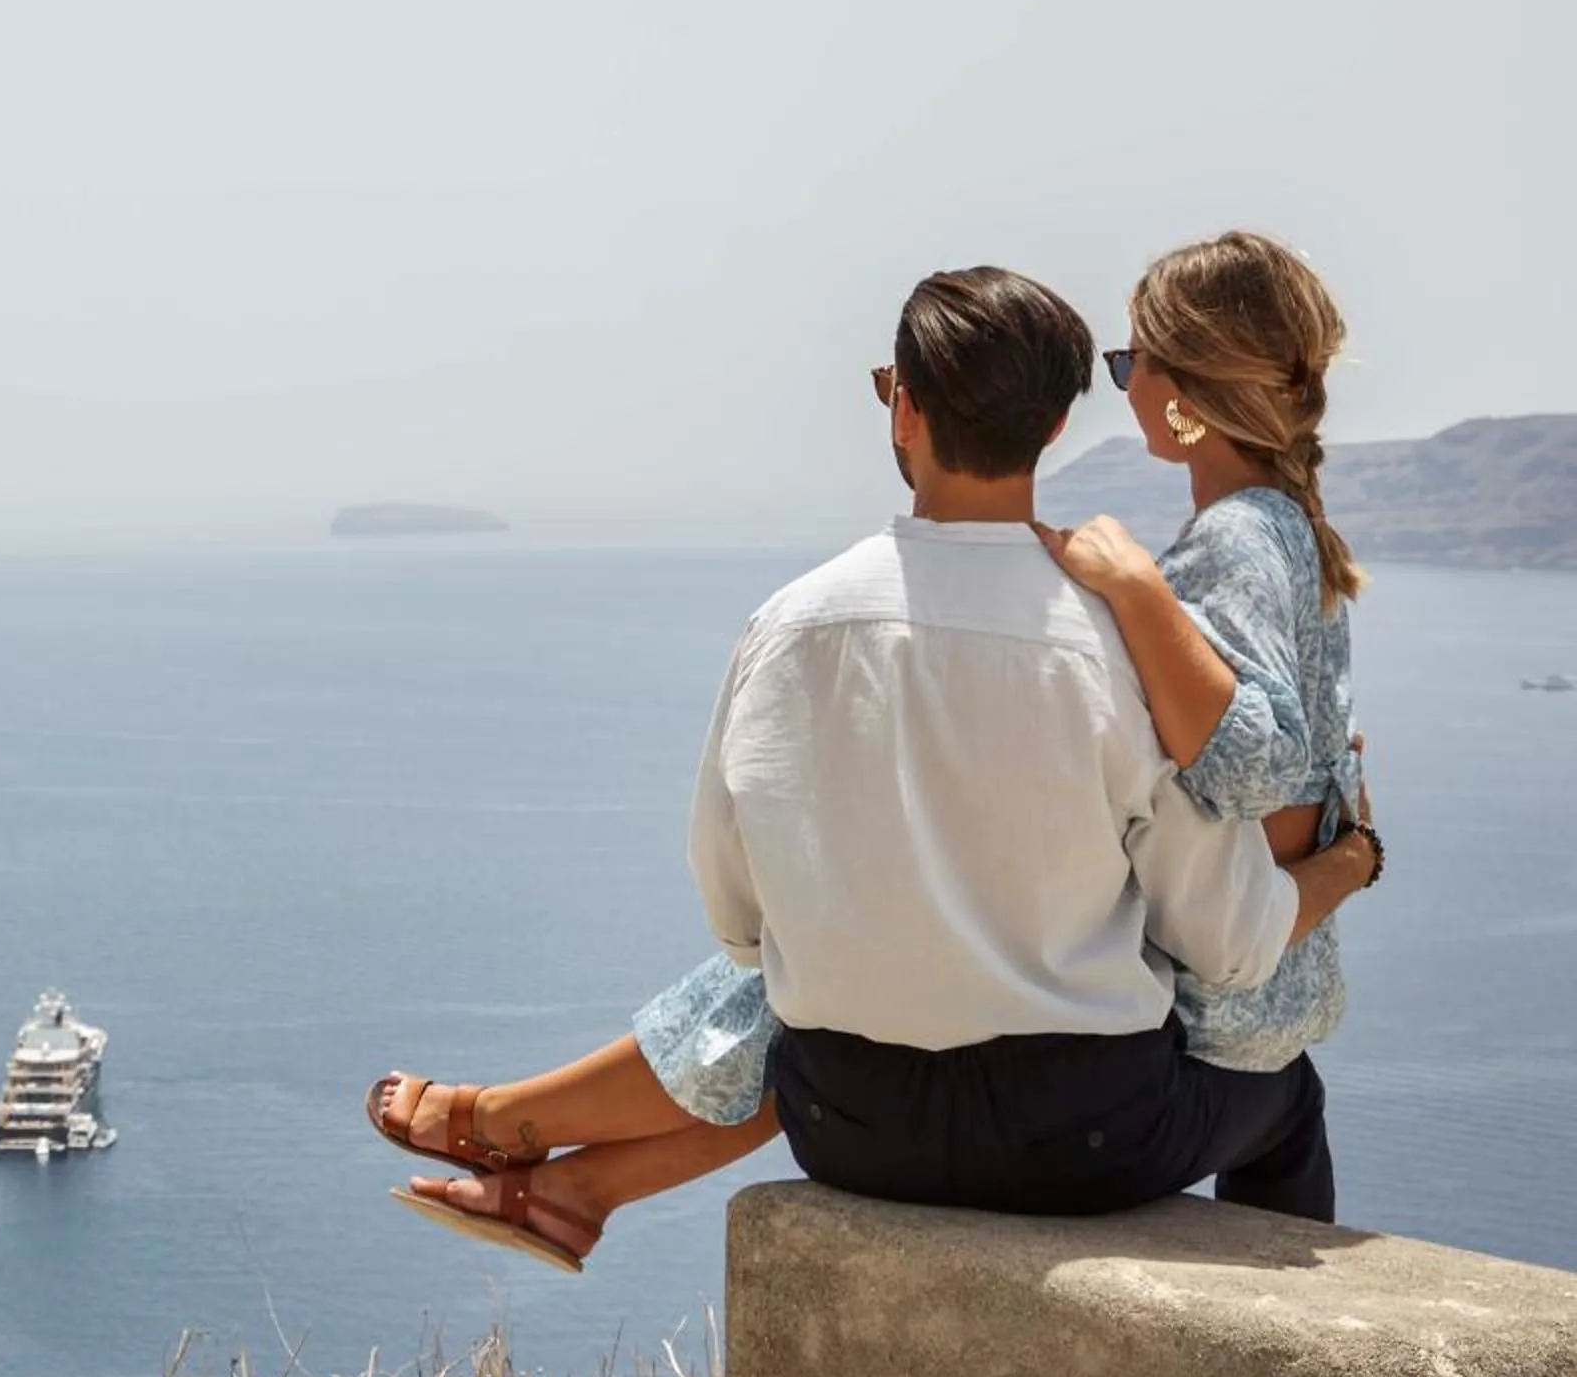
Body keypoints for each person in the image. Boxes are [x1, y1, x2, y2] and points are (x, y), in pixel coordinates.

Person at [369, 246, 1382, 1273]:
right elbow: (1228, 936)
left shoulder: (788, 625)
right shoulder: (1124, 643)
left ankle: (558, 1165)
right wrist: (1347, 861)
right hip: (1085, 1142)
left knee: (810, 980)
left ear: (906, 412)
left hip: (848, 1122)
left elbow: (735, 917)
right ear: (1057, 424)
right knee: (1286, 1096)